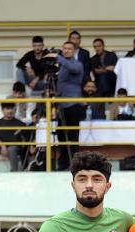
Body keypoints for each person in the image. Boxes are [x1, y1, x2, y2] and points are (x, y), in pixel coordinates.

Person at [53, 42, 85, 171]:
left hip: (73, 104)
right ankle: (63, 164)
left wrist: (57, 57)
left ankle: (75, 165)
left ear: (74, 51)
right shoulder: (62, 66)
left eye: (69, 49)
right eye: (64, 48)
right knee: (61, 136)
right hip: (62, 106)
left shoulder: (77, 64)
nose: (66, 51)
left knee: (72, 136)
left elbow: (74, 69)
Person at [0, 103, 28, 173]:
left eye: (12, 109)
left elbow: (25, 139)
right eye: (7, 109)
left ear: (15, 110)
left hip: (14, 148)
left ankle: (14, 171)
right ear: (2, 110)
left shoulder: (20, 124)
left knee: (12, 148)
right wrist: (3, 146)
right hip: (0, 147)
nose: (10, 111)